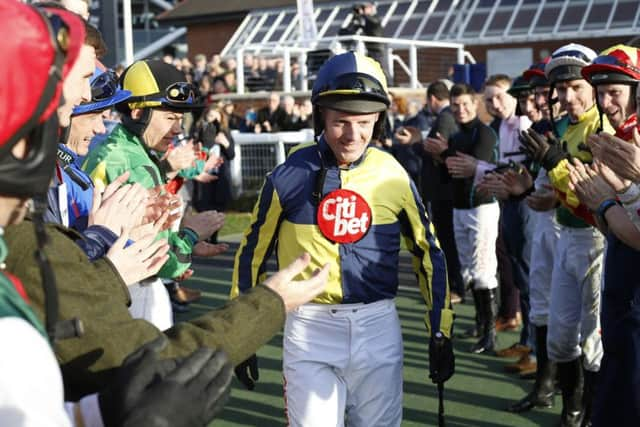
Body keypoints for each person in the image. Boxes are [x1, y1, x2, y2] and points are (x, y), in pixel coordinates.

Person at [0, 3, 233, 426]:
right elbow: (142, 251)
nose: (93, 111)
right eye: (169, 115)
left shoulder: (95, 161)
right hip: (117, 291)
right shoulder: (113, 159)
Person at [231, 51, 454, 427]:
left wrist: (440, 329)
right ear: (321, 117)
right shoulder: (288, 175)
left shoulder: (394, 175)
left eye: (365, 123)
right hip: (309, 326)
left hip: (378, 325)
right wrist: (242, 333)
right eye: (340, 122)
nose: (353, 135)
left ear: (379, 120)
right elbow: (252, 254)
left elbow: (428, 252)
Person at [519, 43, 612, 427]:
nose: (567, 96)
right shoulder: (561, 128)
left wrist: (556, 169)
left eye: (576, 87)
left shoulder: (604, 129)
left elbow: (593, 196)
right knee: (559, 338)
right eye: (561, 89)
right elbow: (554, 193)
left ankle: (586, 414)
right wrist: (529, 190)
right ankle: (570, 406)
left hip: (598, 241)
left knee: (593, 343)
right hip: (565, 238)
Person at [567, 44, 640, 426]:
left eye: (616, 90)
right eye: (601, 90)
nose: (606, 101)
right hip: (622, 289)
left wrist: (605, 203)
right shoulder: (618, 137)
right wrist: (600, 199)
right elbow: (617, 229)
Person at [438, 83, 499, 354]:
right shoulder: (456, 136)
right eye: (455, 106)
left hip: (482, 208)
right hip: (459, 208)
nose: (460, 110)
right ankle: (479, 322)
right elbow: (452, 170)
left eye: (464, 104)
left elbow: (473, 166)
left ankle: (490, 332)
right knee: (468, 270)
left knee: (483, 270)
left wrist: (445, 155)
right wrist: (448, 156)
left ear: (474, 104)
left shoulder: (484, 132)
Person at [418, 80, 463, 303]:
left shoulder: (445, 118)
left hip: (443, 189)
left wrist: (419, 143)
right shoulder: (447, 117)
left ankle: (456, 286)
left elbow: (438, 149)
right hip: (446, 188)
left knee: (447, 239)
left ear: (432, 99)